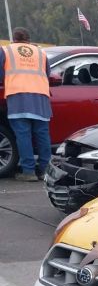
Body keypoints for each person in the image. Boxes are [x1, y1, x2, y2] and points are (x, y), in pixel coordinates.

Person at [0, 27, 52, 182]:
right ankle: (45, 171)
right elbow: (47, 73)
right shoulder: (41, 52)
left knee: (23, 135)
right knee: (42, 134)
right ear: (28, 39)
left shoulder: (6, 50)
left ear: (14, 39)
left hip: (18, 96)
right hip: (41, 96)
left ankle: (28, 172)